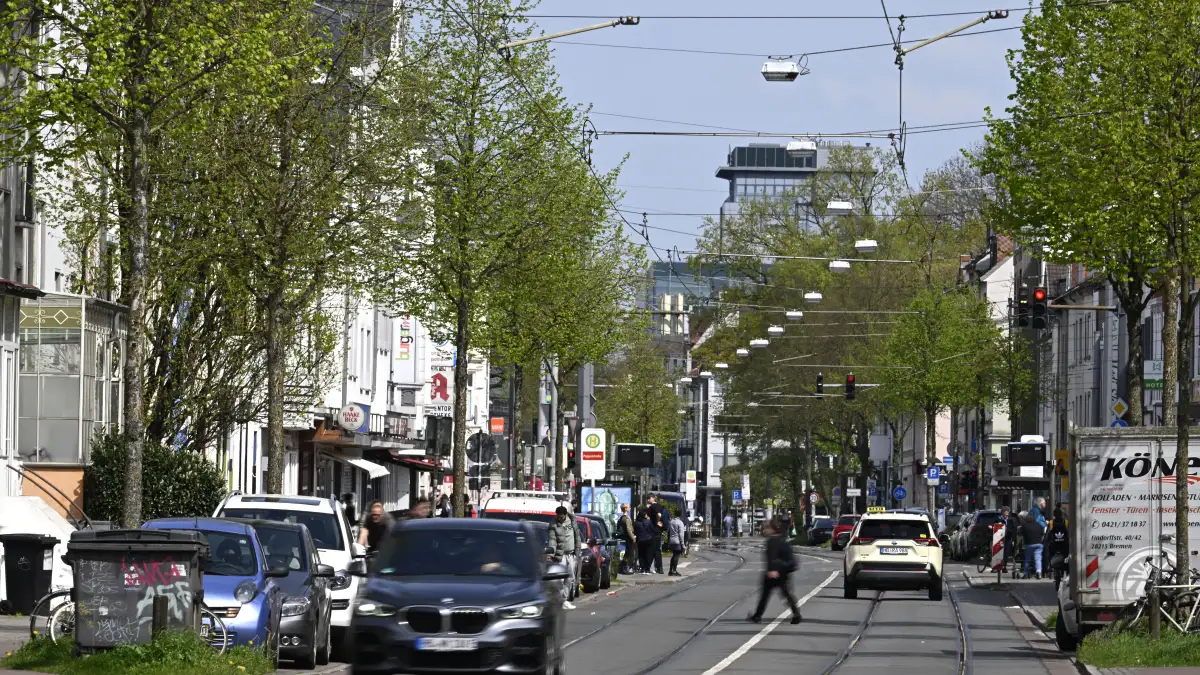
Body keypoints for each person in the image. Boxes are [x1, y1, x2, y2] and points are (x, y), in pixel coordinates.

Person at [748, 516, 801, 625]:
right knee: (785, 594)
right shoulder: (782, 539)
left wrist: (772, 570)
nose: (764, 530)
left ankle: (757, 616)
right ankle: (796, 614)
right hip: (783, 572)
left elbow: (771, 558)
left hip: (775, 572)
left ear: (772, 529)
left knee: (767, 595)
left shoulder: (772, 541)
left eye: (767, 527)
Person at [547, 506, 581, 609]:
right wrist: (551, 554)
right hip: (560, 555)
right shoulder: (553, 525)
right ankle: (560, 601)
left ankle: (565, 600)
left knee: (571, 578)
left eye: (561, 517)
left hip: (572, 554)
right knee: (560, 579)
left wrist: (578, 549)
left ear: (565, 515)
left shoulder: (572, 520)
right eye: (558, 517)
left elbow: (577, 535)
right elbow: (552, 540)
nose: (559, 519)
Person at [1044, 508, 1069, 586]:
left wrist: (1045, 541)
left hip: (1054, 545)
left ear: (1054, 515)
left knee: (1049, 554)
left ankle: (1049, 567)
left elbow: (1048, 533)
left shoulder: (1051, 523)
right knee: (1067, 557)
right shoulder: (1066, 522)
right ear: (1061, 514)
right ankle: (1067, 571)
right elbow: (1069, 533)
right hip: (1064, 545)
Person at [1020, 512, 1046, 579]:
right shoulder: (1039, 525)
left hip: (1029, 544)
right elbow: (1042, 534)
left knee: (1027, 559)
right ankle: (1039, 572)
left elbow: (1020, 534)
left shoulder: (1024, 525)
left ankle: (1025, 573)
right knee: (1038, 559)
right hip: (1039, 544)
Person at [646, 495, 665, 574]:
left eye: (648, 498)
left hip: (653, 530)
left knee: (651, 549)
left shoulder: (653, 507)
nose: (647, 500)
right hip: (658, 531)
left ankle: (647, 567)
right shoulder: (660, 506)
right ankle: (659, 568)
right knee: (657, 550)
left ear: (652, 498)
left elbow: (659, 515)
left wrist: (657, 521)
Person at [617, 503, 636, 575]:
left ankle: (623, 567)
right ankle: (625, 567)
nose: (629, 508)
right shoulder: (626, 518)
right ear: (625, 509)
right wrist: (633, 537)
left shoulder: (621, 518)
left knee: (628, 553)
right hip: (629, 538)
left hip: (625, 537)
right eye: (628, 507)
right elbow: (629, 529)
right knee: (629, 553)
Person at [634, 509, 655, 574]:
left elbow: (635, 532)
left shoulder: (636, 523)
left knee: (641, 554)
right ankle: (647, 568)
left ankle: (642, 568)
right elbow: (653, 530)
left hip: (640, 540)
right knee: (649, 554)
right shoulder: (648, 522)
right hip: (649, 539)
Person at [668, 511, 686, 576]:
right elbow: (681, 534)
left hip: (671, 540)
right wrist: (683, 544)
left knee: (673, 555)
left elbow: (668, 532)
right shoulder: (680, 523)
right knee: (676, 555)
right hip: (677, 541)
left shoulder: (671, 522)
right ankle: (674, 570)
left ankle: (670, 570)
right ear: (680, 516)